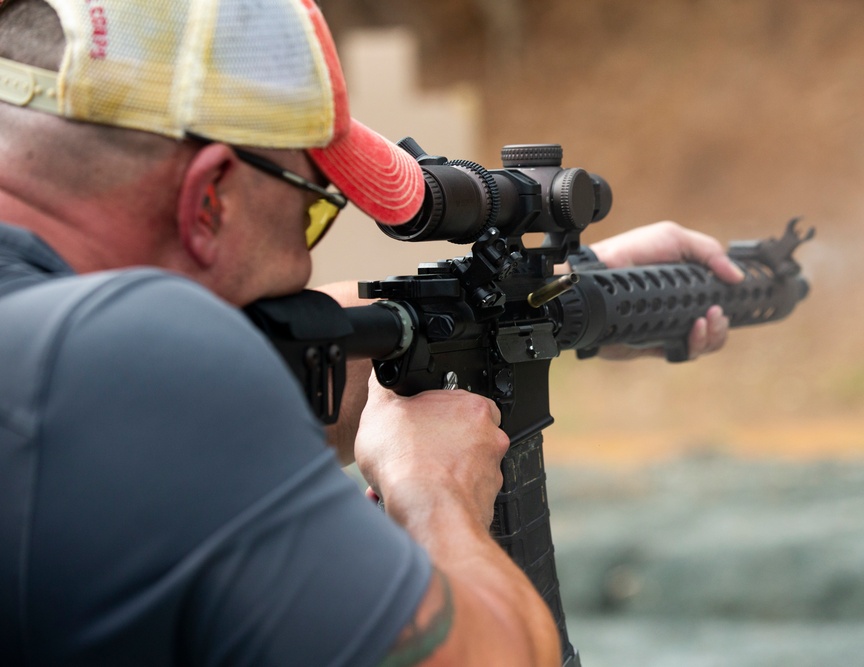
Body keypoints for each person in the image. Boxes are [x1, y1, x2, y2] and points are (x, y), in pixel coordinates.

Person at [0, 0, 744, 665]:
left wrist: (558, 293)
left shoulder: (52, 351)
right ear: (207, 203)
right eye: (311, 209)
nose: (306, 255)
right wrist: (434, 494)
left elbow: (257, 362)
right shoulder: (104, 357)